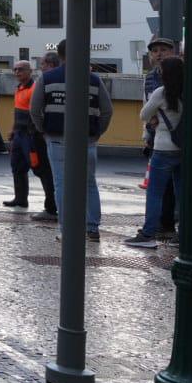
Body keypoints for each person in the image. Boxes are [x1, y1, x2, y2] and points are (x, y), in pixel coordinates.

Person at [31, 39, 114, 242]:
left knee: (61, 183)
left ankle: (66, 229)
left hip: (57, 138)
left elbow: (34, 110)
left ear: (59, 56)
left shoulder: (47, 78)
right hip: (87, 140)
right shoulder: (94, 79)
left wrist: (44, 130)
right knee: (89, 183)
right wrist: (96, 133)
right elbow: (107, 110)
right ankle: (92, 228)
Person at [128, 55, 184, 248]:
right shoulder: (189, 91)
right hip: (183, 149)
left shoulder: (162, 92)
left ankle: (148, 234)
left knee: (154, 193)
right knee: (181, 193)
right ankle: (182, 234)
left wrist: (153, 119)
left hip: (163, 148)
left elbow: (143, 114)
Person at [3, 60, 57, 216]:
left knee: (40, 168)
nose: (17, 72)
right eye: (15, 69)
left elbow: (38, 112)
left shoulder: (34, 89)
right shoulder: (19, 88)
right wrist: (13, 130)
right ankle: (20, 199)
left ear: (30, 71)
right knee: (17, 167)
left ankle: (51, 204)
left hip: (31, 135)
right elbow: (17, 111)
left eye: (21, 69)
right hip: (19, 134)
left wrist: (36, 133)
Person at [141, 37, 179, 239]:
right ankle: (166, 223)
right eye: (155, 50)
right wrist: (146, 132)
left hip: (169, 136)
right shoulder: (149, 77)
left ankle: (159, 226)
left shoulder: (176, 77)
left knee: (160, 187)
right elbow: (145, 105)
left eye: (163, 49)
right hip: (159, 134)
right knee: (170, 186)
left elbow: (146, 110)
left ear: (173, 52)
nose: (159, 54)